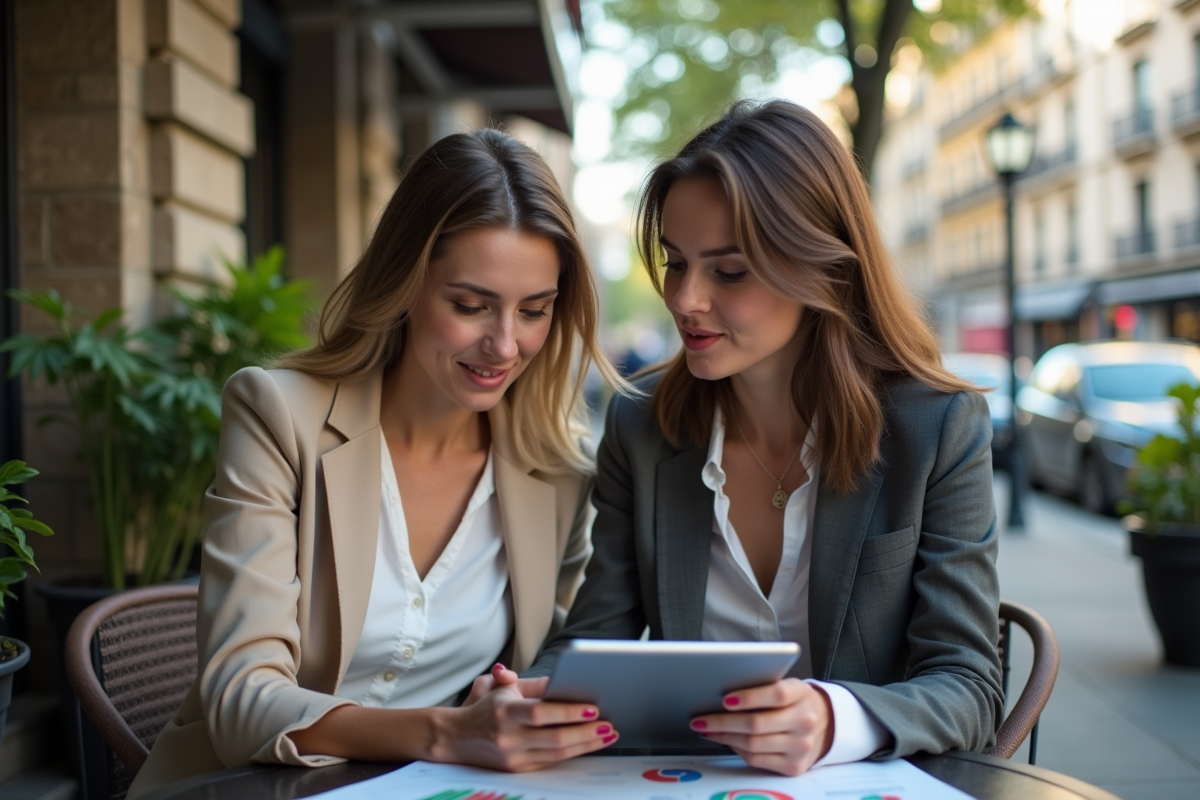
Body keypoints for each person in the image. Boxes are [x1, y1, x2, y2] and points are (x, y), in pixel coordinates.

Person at [129, 129, 626, 799]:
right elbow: (242, 700)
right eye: (470, 305)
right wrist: (447, 731)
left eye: (534, 311)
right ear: (405, 285)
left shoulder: (559, 469)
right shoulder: (279, 416)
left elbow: (541, 674)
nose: (505, 344)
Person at [528, 100, 1003, 777]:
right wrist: (529, 696)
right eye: (674, 263)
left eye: (729, 271)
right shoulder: (641, 427)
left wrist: (834, 717)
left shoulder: (936, 428)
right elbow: (595, 637)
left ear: (824, 270)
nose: (686, 299)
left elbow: (970, 687)